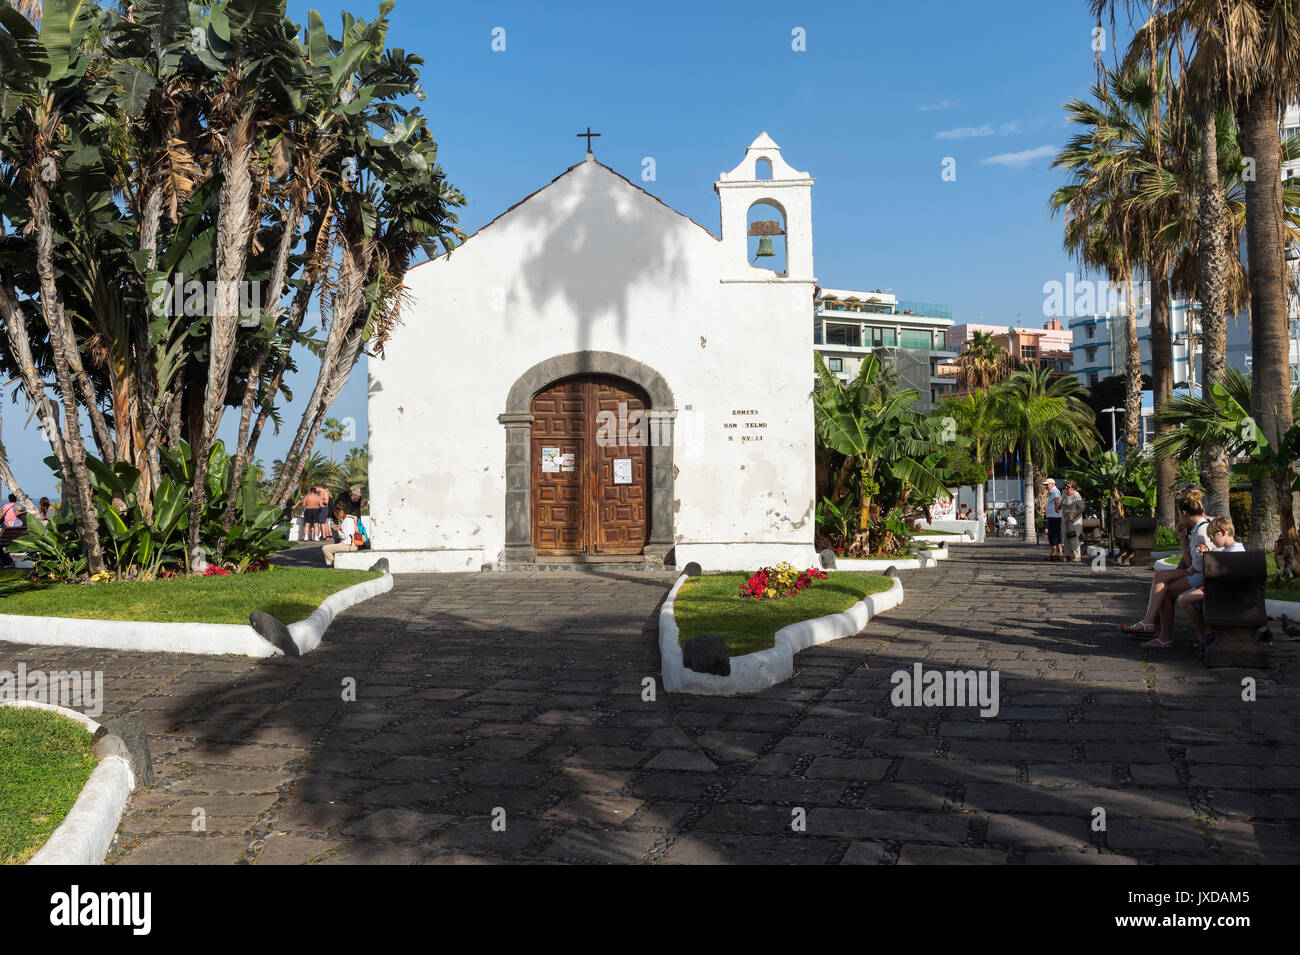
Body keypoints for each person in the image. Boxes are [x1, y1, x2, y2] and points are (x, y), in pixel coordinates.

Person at [1124, 490, 1213, 648]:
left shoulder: (1200, 532)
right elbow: (1191, 564)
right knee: (1161, 577)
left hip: (1207, 575)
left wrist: (1183, 543)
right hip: (1205, 571)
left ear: (1184, 513)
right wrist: (1183, 540)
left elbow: (1195, 566)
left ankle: (1159, 631)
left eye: (1179, 515)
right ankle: (1152, 625)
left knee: (1165, 589)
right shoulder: (1204, 525)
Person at [1177, 516, 1244, 656]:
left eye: (1212, 536)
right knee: (1190, 599)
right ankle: (1207, 636)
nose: (1212, 540)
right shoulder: (1232, 549)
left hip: (1224, 592)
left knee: (1183, 599)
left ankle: (1205, 638)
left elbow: (1221, 577)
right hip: (1223, 590)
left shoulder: (1233, 552)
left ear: (1224, 532)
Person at [322, 500, 361, 567]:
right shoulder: (351, 518)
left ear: (339, 514)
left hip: (349, 545)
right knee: (332, 548)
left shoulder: (346, 521)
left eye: (336, 516)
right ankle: (334, 565)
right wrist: (340, 529)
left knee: (325, 548)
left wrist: (338, 530)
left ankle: (334, 565)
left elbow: (345, 536)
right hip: (353, 544)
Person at [1062, 480, 1085, 562]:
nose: (1066, 488)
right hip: (1065, 517)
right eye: (1066, 486)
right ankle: (1067, 554)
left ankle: (1077, 556)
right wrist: (1058, 507)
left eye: (1068, 487)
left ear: (1073, 488)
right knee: (1066, 536)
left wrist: (1074, 515)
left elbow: (1082, 508)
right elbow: (1062, 501)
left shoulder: (1076, 495)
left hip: (1075, 519)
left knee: (1073, 536)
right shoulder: (1064, 492)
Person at [1043, 479, 1063, 560]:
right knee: (1057, 534)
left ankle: (1054, 553)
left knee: (1053, 534)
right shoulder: (1052, 491)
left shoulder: (1054, 491)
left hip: (1054, 516)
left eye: (1047, 484)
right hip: (1054, 516)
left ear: (1052, 484)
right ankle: (1060, 553)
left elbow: (1056, 499)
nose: (1046, 486)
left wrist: (1057, 508)